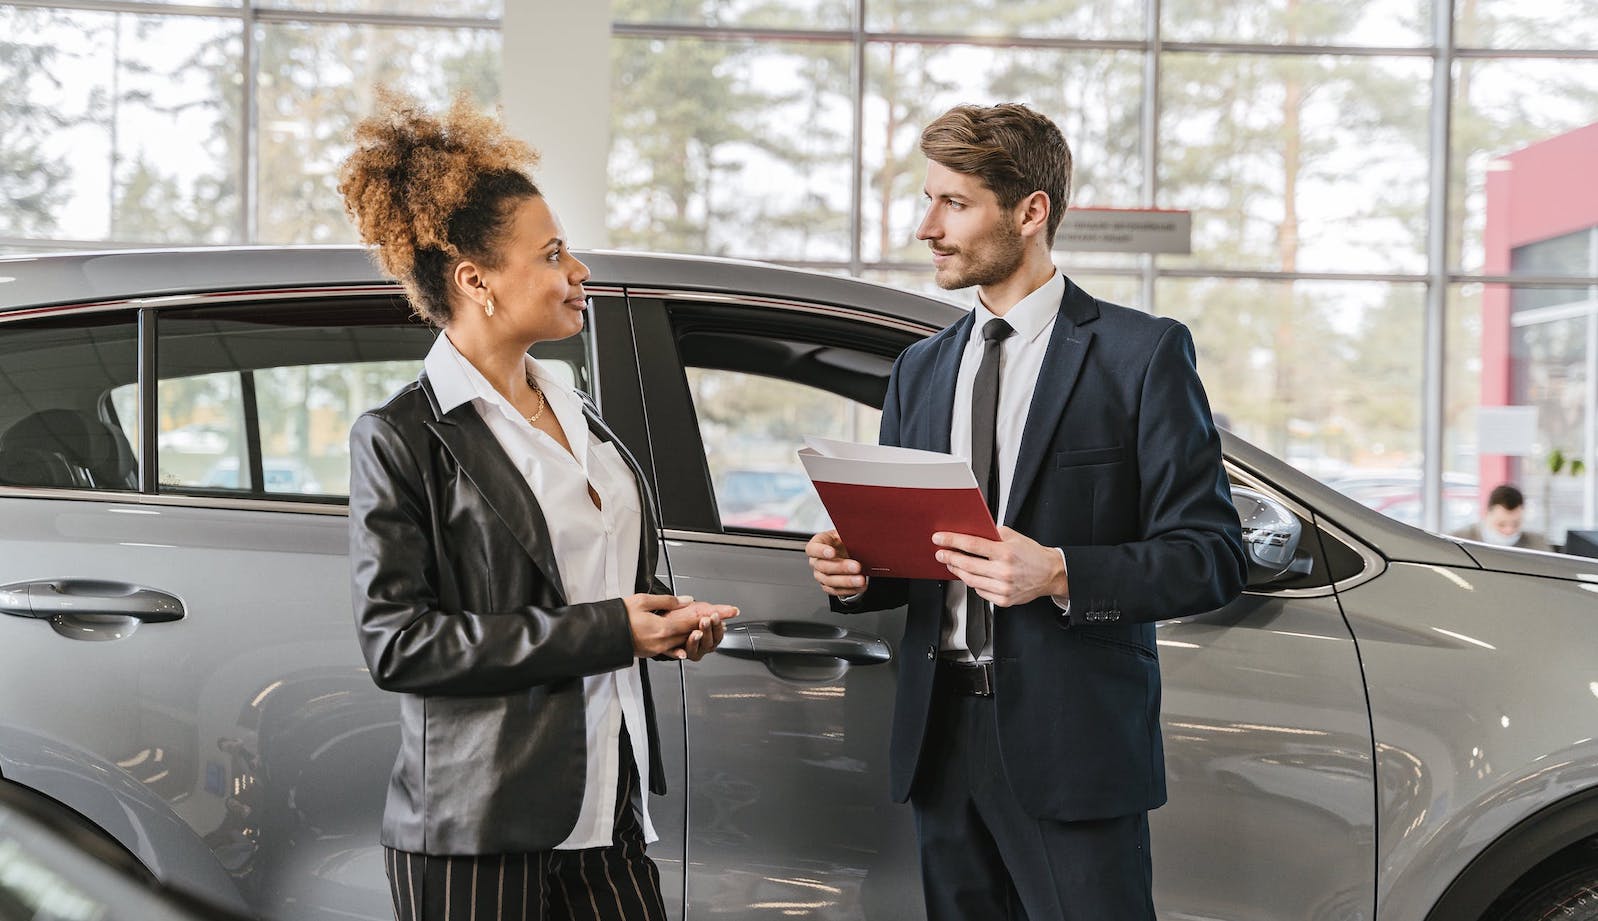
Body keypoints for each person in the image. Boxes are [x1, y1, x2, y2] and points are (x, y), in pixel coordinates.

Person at [806, 103, 1248, 920]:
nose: (926, 227)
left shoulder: (1140, 355)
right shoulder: (919, 370)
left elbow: (1213, 554)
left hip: (1073, 746)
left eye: (954, 203)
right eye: (927, 199)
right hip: (942, 743)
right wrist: (855, 571)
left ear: (1031, 210)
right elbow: (915, 563)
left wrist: (1059, 571)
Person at [342, 91, 737, 921]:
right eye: (554, 253)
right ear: (476, 280)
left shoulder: (577, 412)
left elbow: (597, 577)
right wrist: (611, 629)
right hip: (480, 827)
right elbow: (401, 644)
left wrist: (668, 624)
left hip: (608, 808)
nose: (578, 271)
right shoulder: (403, 436)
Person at [1453, 483, 1552, 551]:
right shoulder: (1457, 541)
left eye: (1516, 524)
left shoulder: (1538, 545)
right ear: (1486, 514)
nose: (1508, 530)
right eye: (1501, 524)